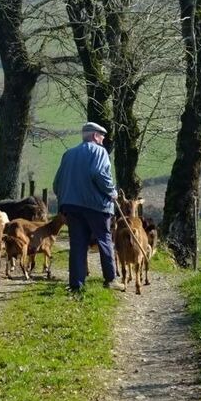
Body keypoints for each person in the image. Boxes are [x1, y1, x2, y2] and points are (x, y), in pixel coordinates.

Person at [53, 121, 125, 292]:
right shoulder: (100, 152)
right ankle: (110, 279)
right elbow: (99, 174)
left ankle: (76, 285)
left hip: (71, 206)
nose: (103, 140)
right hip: (96, 206)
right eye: (102, 137)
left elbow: (56, 184)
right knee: (104, 241)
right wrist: (112, 192)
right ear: (95, 136)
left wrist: (65, 201)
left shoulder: (68, 154)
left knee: (77, 244)